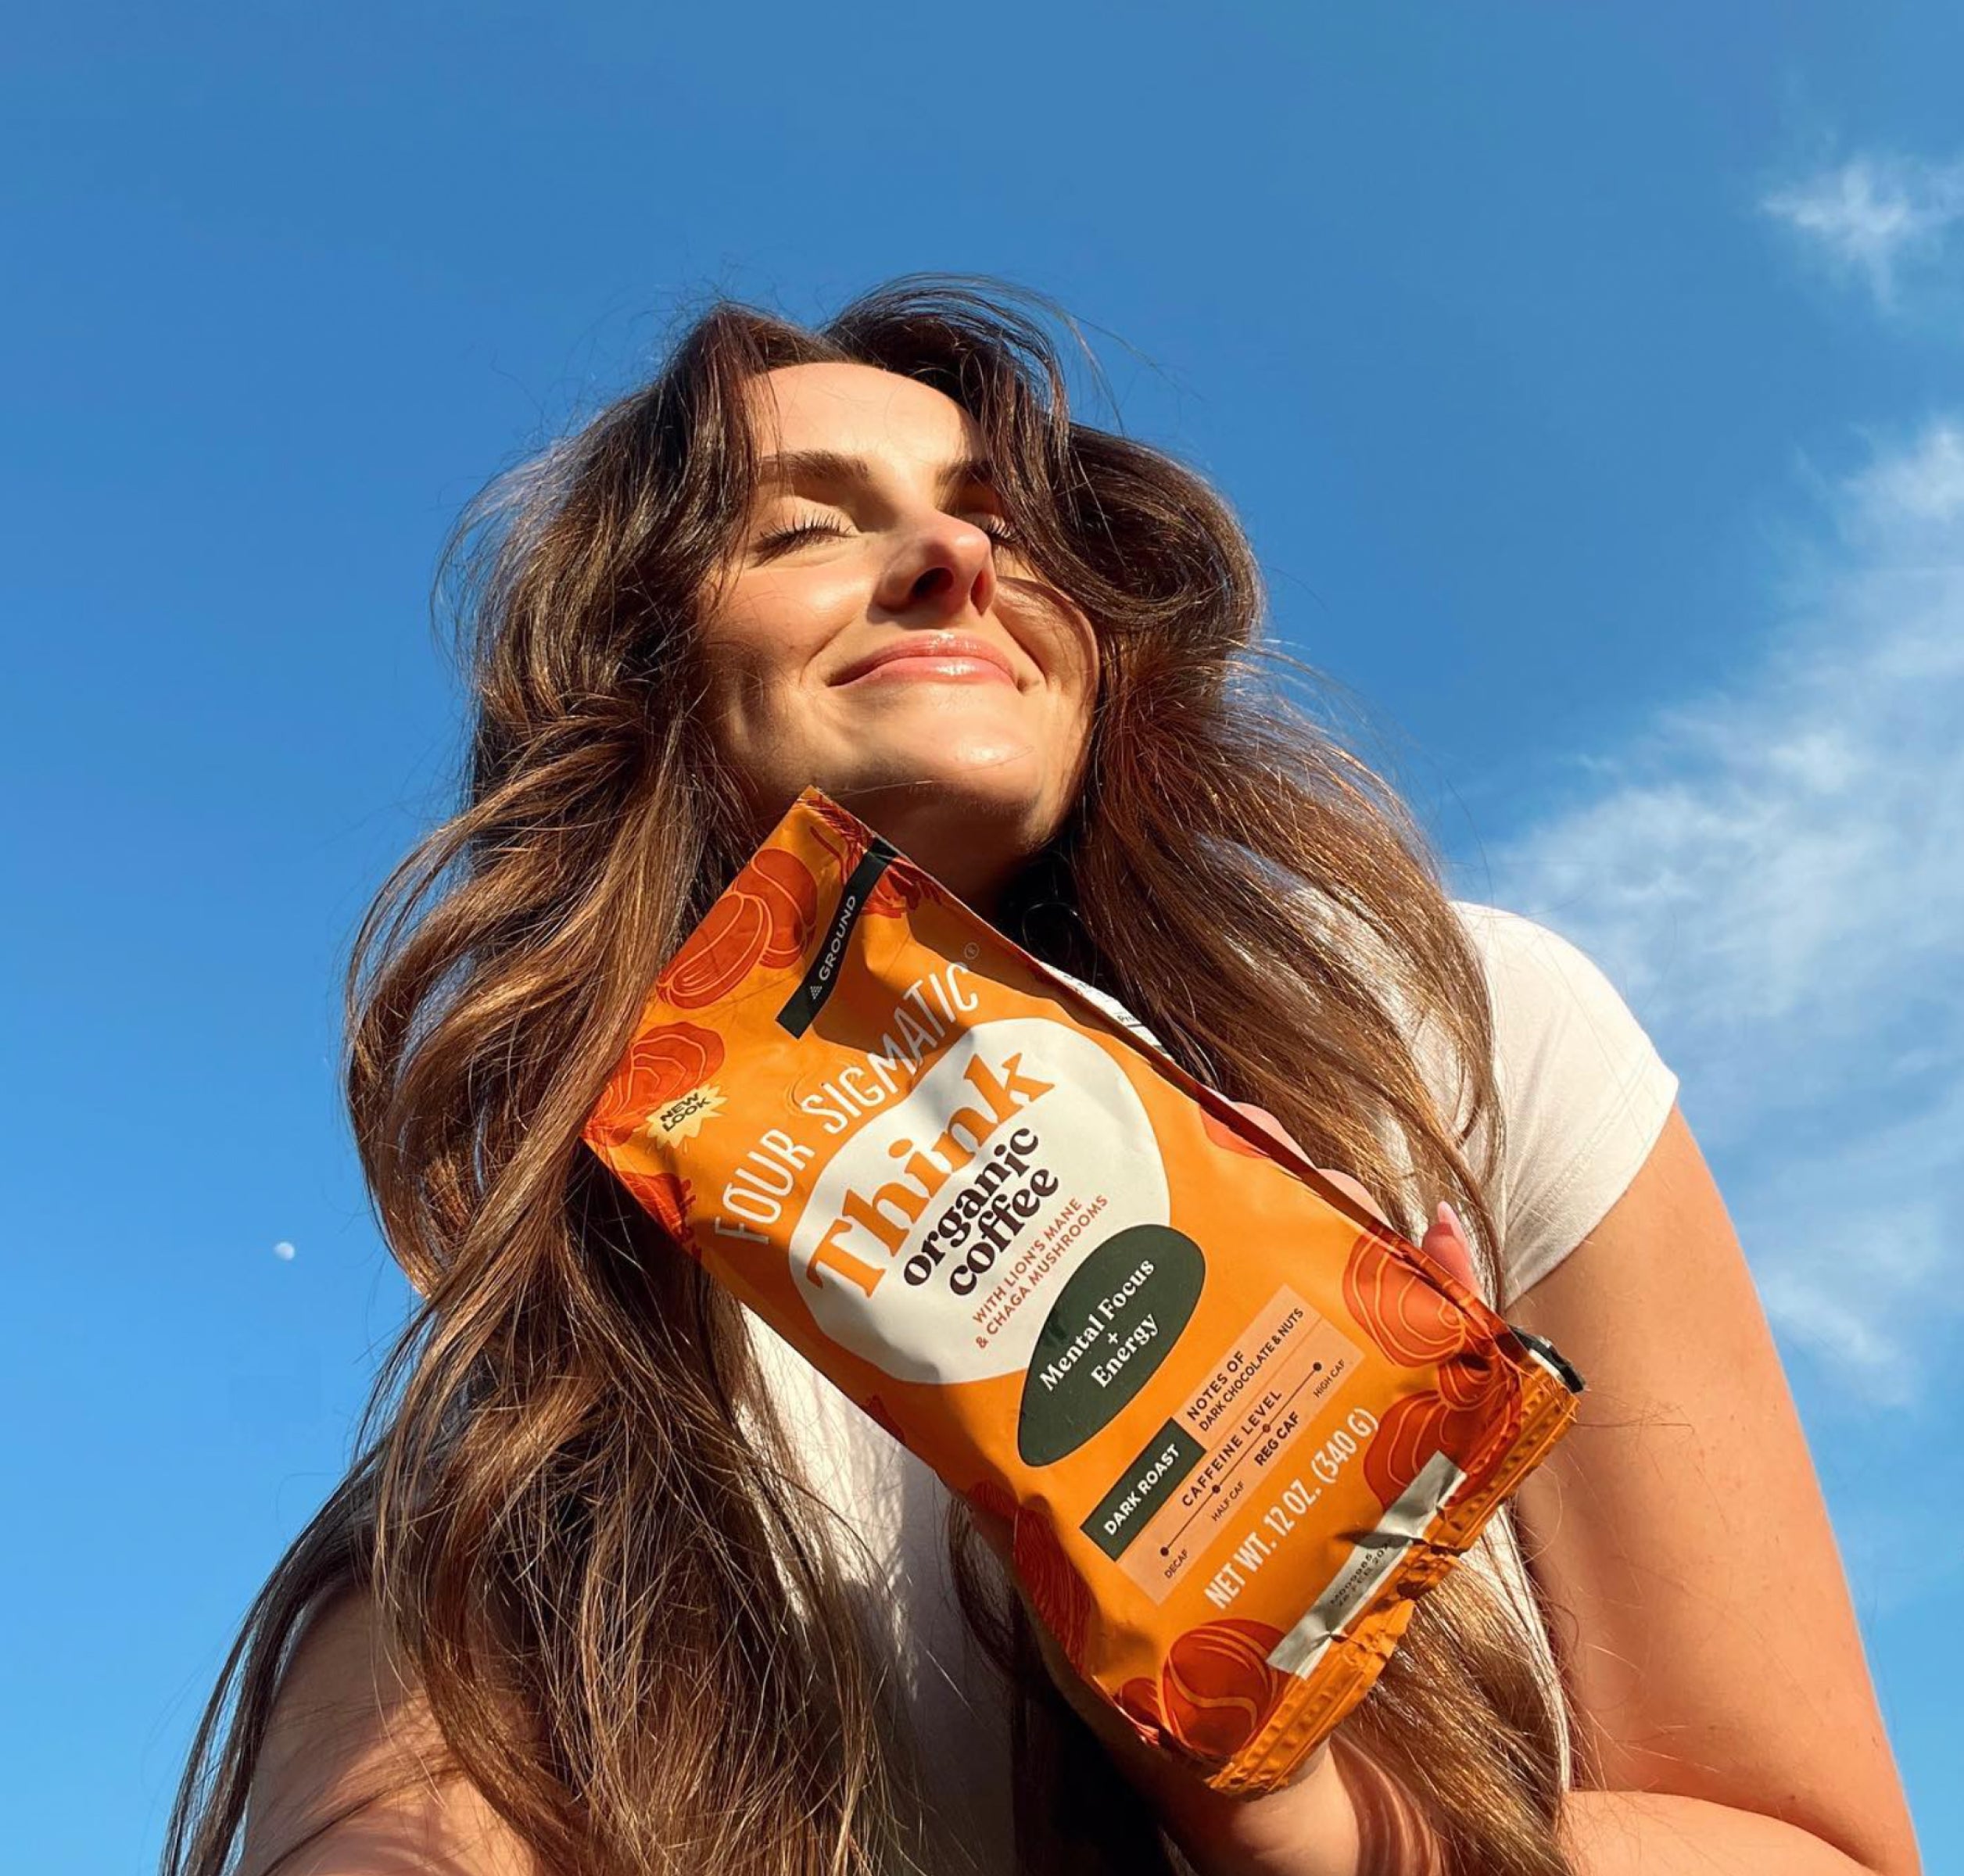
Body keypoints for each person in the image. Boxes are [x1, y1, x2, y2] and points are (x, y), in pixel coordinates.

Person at [162, 277, 1920, 1876]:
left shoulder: (1453, 1032)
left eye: (999, 523)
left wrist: (1307, 1815)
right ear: (641, 674)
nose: (951, 563)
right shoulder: (543, 1420)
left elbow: (1810, 1846)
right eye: (802, 530)